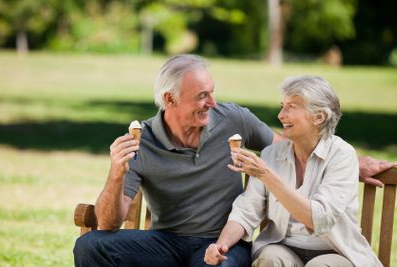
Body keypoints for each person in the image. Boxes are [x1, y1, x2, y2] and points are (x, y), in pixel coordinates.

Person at [73, 55, 394, 267]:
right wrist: (116, 173)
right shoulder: (141, 140)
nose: (212, 103)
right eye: (202, 96)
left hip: (223, 242)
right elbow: (108, 224)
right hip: (166, 241)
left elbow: (290, 147)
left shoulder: (233, 119)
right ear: (170, 99)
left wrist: (354, 162)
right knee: (91, 247)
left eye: (212, 92)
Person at [204, 76, 384, 267]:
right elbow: (246, 211)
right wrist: (221, 245)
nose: (281, 115)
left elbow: (317, 220)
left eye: (291, 107)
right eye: (282, 106)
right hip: (284, 247)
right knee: (269, 258)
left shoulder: (342, 155)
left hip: (335, 252)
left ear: (319, 117)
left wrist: (266, 174)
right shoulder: (271, 155)